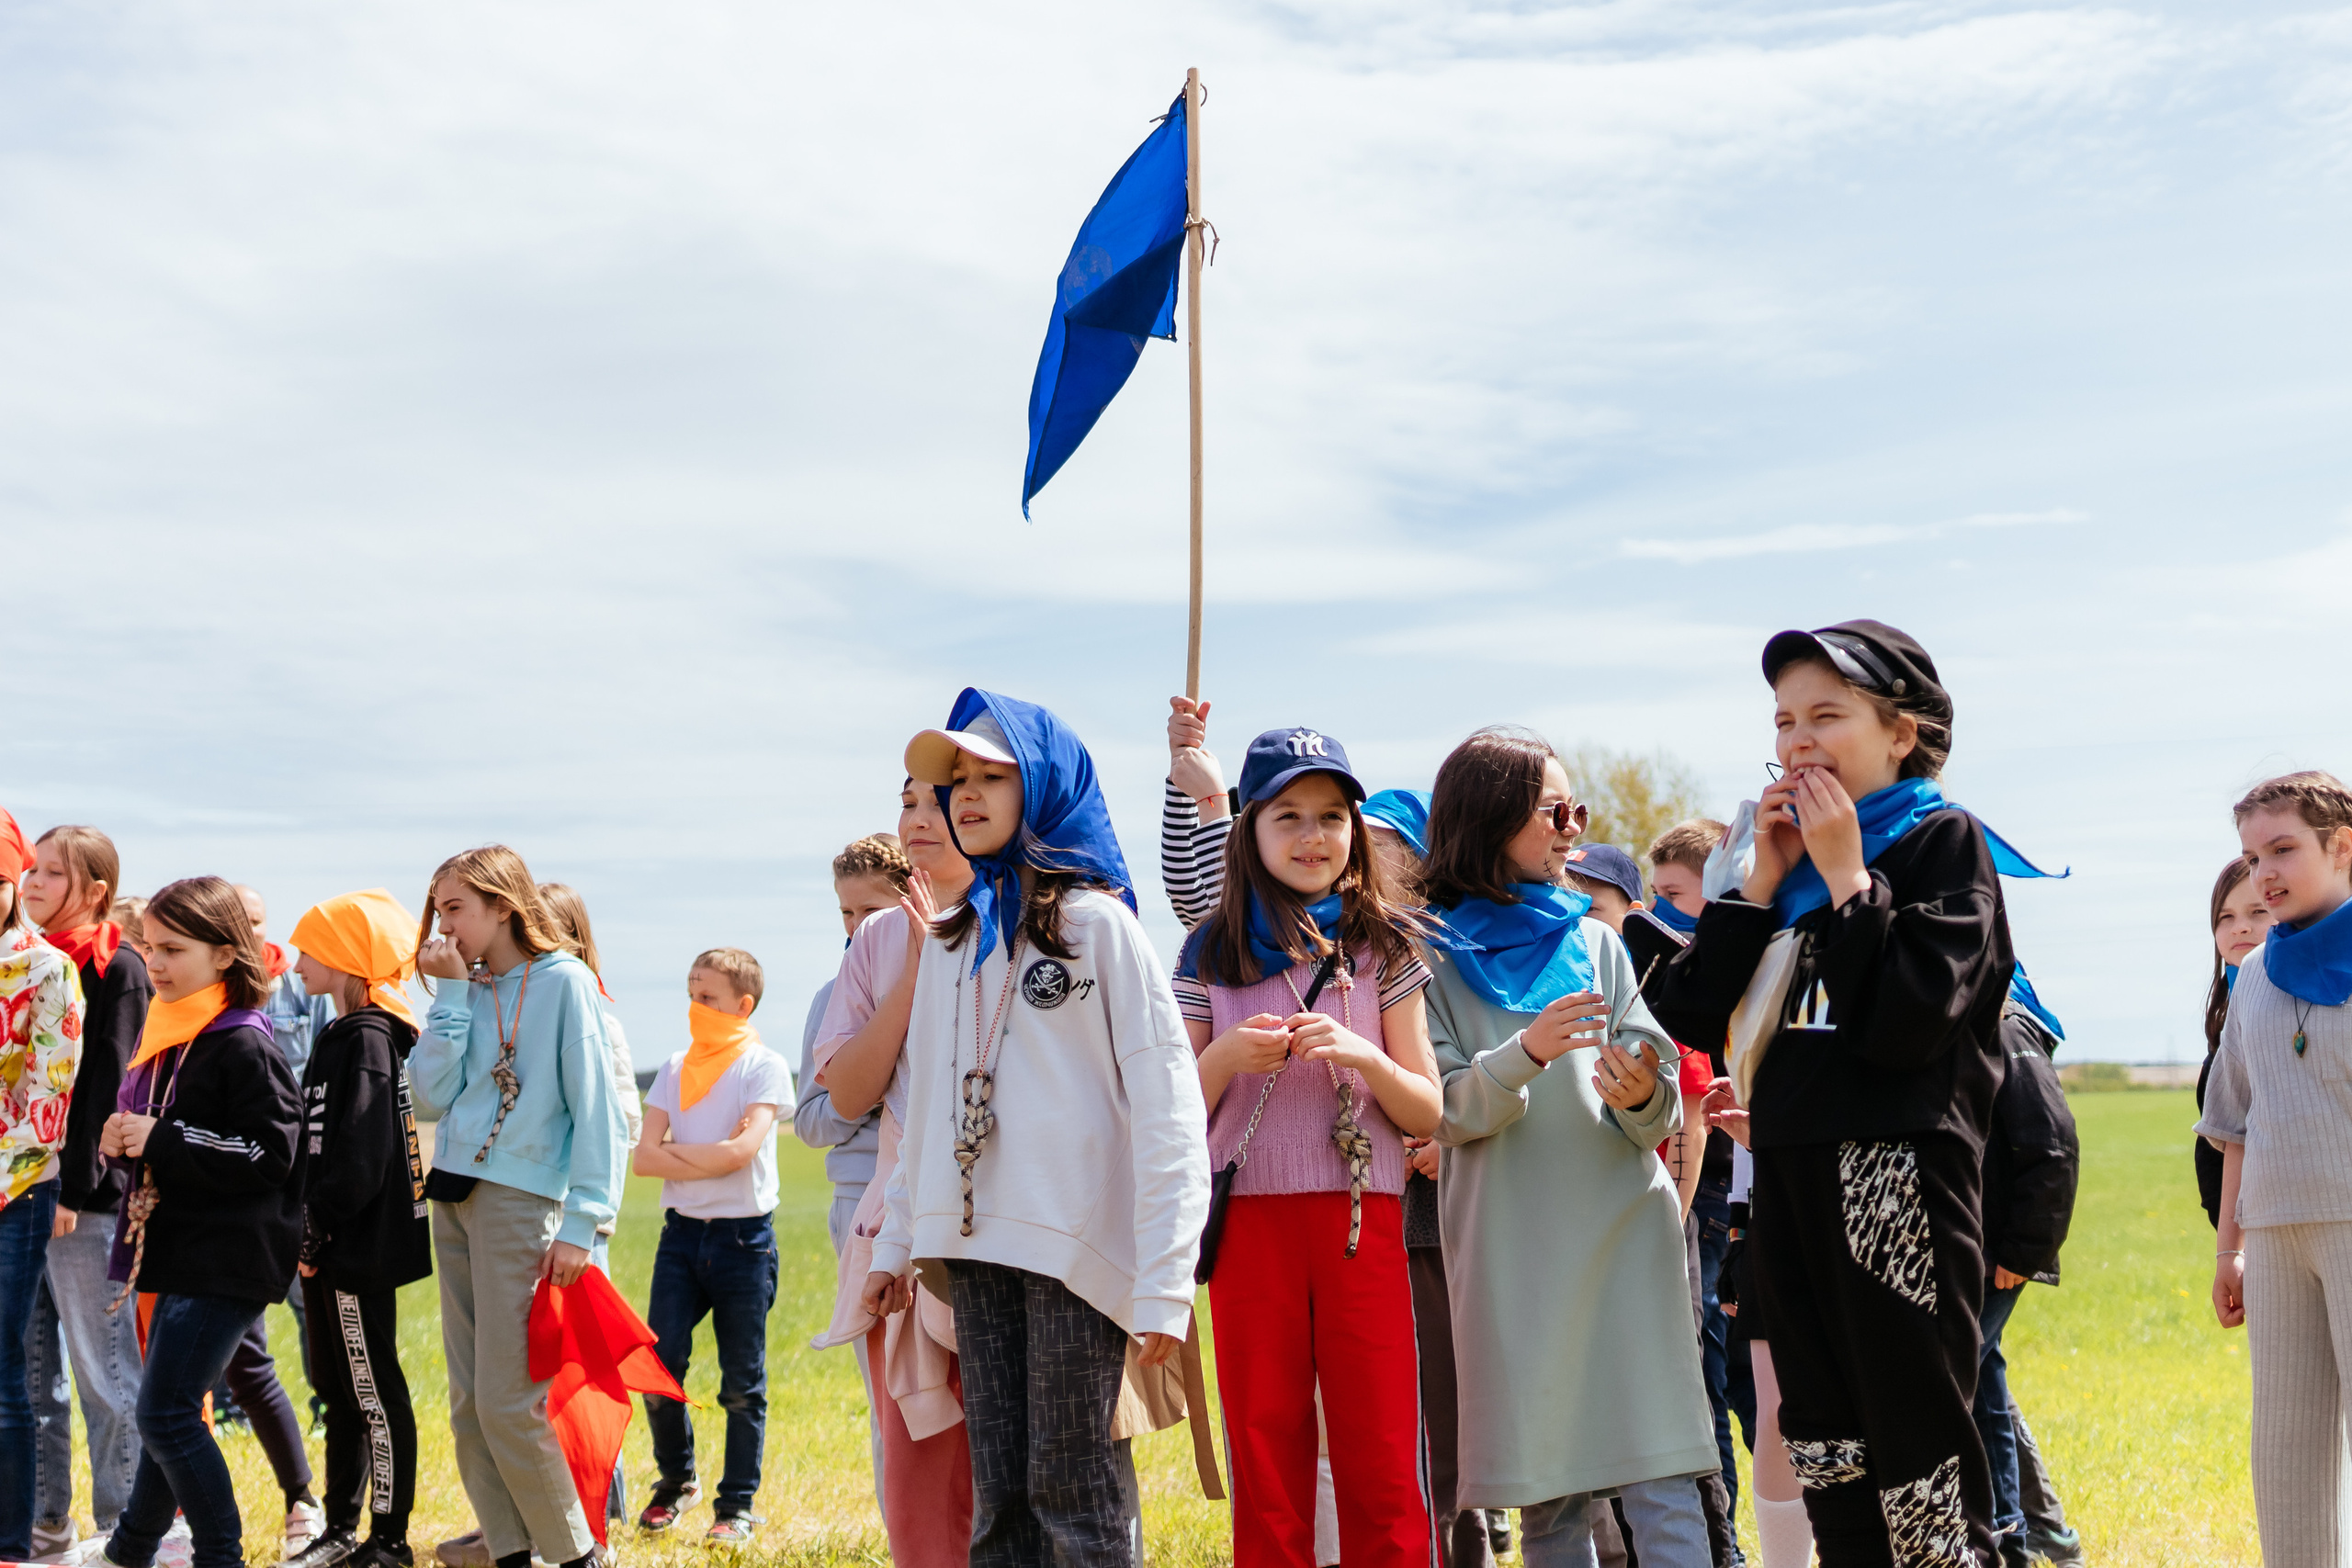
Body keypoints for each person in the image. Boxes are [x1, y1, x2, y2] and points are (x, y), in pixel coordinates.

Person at [1657, 621, 2022, 1566]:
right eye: (1784, 721)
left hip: (1894, 1177)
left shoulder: (1940, 843)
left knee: (1919, 1451)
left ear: (1901, 732)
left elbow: (1908, 1023)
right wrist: (1759, 885)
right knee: (1823, 1446)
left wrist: (1848, 876)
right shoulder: (1773, 873)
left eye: (1828, 715)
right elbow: (1695, 1017)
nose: (1799, 741)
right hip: (1784, 1176)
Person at [864, 688, 1211, 1568]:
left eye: (992, 776)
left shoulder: (1101, 929)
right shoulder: (950, 937)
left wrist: (1167, 1277)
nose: (965, 795)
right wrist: (893, 1243)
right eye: (955, 780)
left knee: (1074, 1489)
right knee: (1003, 1500)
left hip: (1071, 1252)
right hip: (973, 1250)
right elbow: (931, 1108)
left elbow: (1168, 1105)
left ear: (1047, 786)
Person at [1419, 727, 1715, 1568]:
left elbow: (1656, 1100)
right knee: (1549, 1496)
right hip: (1516, 1257)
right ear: (1488, 818)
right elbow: (1445, 1110)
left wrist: (1641, 1091)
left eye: (1575, 806)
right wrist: (1528, 1052)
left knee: (1666, 1478)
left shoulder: (1598, 942)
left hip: (1627, 1237)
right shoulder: (1426, 954)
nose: (1571, 825)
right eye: (1554, 808)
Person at [1176, 727, 1440, 1567]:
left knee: (1383, 1448)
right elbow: (1171, 1112)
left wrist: (1362, 1054)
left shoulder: (1385, 944)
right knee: (1266, 1450)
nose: (1312, 835)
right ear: (1247, 827)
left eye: (1331, 815)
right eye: (1287, 814)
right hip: (1249, 1226)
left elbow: (1428, 1109)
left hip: (1366, 1221)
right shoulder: (1208, 951)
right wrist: (1224, 1057)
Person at [410, 847, 625, 1568]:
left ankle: (575, 1555)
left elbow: (599, 1113)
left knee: (510, 1402)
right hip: (454, 1194)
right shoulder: (463, 988)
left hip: (521, 1201)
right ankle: (510, 1554)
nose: (443, 925)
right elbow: (429, 1097)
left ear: (504, 905)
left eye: (456, 908)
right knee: (470, 1406)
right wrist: (447, 1001)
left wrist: (584, 1219)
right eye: (438, 908)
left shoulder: (566, 983)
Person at [92, 876, 302, 1568]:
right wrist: (128, 1142)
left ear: (224, 954)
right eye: (150, 945)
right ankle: (131, 1550)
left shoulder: (243, 1043)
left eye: (173, 948)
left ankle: (220, 1555)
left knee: (166, 1413)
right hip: (188, 1253)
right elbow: (180, 1141)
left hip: (228, 1259)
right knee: (168, 1410)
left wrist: (158, 1137)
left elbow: (272, 1152)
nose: (154, 961)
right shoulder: (179, 1032)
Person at [811, 786, 977, 1568]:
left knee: (1011, 1456)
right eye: (907, 799)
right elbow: (846, 1093)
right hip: (898, 1230)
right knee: (918, 1462)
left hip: (1016, 1227)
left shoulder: (1034, 918)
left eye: (942, 799)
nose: (921, 817)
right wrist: (911, 968)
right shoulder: (878, 942)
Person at [2200, 771, 2352, 1566]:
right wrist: (2229, 1247)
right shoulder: (2253, 976)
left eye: (2283, 848)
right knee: (2285, 1453)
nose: (2264, 872)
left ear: (2342, 846)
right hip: (2273, 1238)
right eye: (2253, 855)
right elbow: (2234, 1126)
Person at [285, 890, 432, 1568]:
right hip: (328, 1244)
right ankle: (340, 1529)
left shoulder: (370, 1037)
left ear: (347, 956)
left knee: (372, 1392)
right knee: (338, 1389)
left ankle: (388, 1538)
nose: (297, 959)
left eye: (311, 947)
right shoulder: (342, 1034)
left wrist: (314, 1232)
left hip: (354, 1249)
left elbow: (361, 1157)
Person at [632, 947, 794, 1545]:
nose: (696, 1007)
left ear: (742, 1004)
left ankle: (737, 1506)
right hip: (680, 1238)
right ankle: (677, 1479)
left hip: (743, 1240)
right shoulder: (675, 1067)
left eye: (709, 998)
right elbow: (644, 1158)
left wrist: (677, 1154)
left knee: (740, 1383)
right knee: (658, 1367)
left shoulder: (763, 1066)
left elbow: (741, 1152)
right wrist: (706, 1155)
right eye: (692, 994)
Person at [20, 825, 146, 1555]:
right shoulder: (29, 963)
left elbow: (107, 1084)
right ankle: (46, 1519)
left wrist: (74, 1188)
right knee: (35, 1372)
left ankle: (124, 1524)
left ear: (94, 891)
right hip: (23, 1192)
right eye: (30, 870)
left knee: (104, 1369)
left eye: (51, 873)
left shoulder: (116, 967)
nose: (33, 883)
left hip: (83, 1202)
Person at [796, 838, 905, 1514]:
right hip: (858, 1207)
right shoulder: (831, 996)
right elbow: (810, 1122)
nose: (857, 926)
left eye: (872, 907)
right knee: (888, 1398)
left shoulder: (948, 976)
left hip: (936, 1198)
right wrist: (866, 1085)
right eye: (845, 911)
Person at [0, 809, 85, 1564]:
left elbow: (46, 1101)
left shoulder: (47, 969)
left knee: (5, 1374)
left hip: (14, 1191)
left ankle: (12, 1543)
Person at [1975, 972, 2079, 1568]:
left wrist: (2023, 1250)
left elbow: (2053, 1145)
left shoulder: (2007, 1027)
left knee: (1963, 1380)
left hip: (1998, 1255)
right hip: (1969, 1250)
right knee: (1983, 1383)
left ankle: (2009, 1534)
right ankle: (2033, 1534)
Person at [2197, 854, 2271, 1228]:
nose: (2240, 928)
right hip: (2240, 1232)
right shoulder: (2227, 1016)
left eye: (2257, 912)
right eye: (2225, 917)